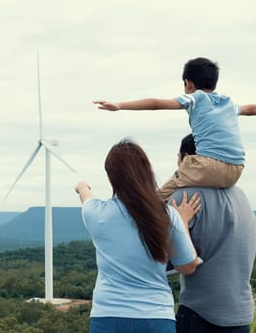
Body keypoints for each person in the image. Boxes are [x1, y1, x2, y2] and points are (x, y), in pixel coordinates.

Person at [93, 57, 256, 202]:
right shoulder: (228, 103)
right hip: (236, 171)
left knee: (160, 197)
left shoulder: (196, 98)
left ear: (188, 83)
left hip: (208, 166)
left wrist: (119, 105)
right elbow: (251, 109)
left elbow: (156, 104)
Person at [75, 139, 201, 333]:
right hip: (156, 318)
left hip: (108, 318)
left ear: (112, 177)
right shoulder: (168, 216)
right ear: (146, 172)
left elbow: (86, 197)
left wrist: (83, 186)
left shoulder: (96, 214)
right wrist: (183, 221)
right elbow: (187, 265)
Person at [170, 133, 256, 333]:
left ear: (187, 159)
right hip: (240, 313)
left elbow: (173, 260)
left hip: (201, 311)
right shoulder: (240, 195)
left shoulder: (184, 197)